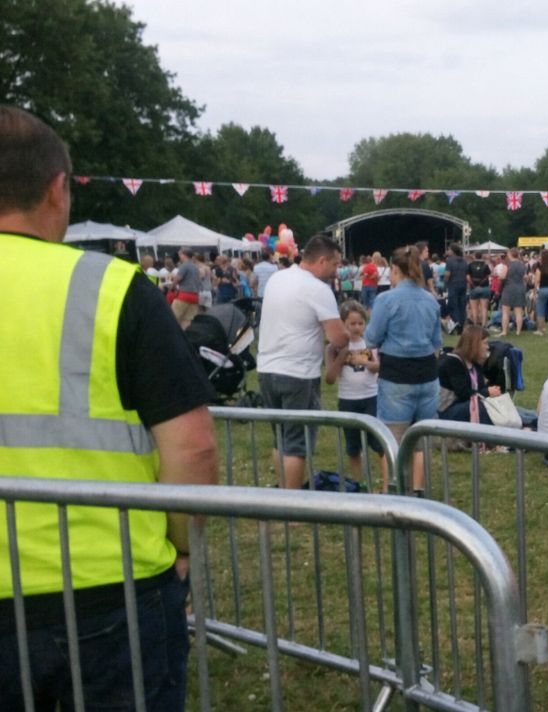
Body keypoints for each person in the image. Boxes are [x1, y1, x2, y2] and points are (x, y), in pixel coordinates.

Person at [0, 105, 218, 711]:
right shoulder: (113, 286)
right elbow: (192, 447)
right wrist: (181, 550)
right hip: (109, 589)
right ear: (57, 189)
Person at [257, 234, 346, 490]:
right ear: (321, 261)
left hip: (267, 368)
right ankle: (293, 503)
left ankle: (282, 488)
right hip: (298, 373)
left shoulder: (277, 277)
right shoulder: (318, 289)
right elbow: (336, 337)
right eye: (335, 264)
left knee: (280, 439)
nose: (335, 271)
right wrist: (347, 337)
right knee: (297, 442)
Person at [364, 245, 442, 495]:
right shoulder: (431, 300)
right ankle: (418, 490)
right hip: (428, 374)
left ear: (395, 269)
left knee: (392, 439)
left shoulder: (386, 300)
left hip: (397, 375)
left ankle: (392, 491)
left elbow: (372, 338)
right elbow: (437, 342)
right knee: (419, 438)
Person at [324, 301, 387, 492]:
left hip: (370, 397)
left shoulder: (370, 342)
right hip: (348, 399)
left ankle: (386, 485)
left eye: (360, 323)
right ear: (343, 324)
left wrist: (367, 362)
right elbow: (329, 378)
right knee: (353, 445)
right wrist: (341, 357)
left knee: (378, 442)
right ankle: (360, 483)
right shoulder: (333, 347)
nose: (357, 328)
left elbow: (379, 367)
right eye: (352, 324)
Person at [437, 324, 500, 425]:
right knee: (481, 407)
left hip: (466, 405)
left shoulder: (474, 363)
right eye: (485, 343)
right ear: (474, 344)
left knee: (496, 406)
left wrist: (489, 392)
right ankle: (491, 438)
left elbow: (479, 388)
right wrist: (487, 392)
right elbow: (464, 394)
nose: (488, 347)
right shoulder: (452, 362)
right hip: (447, 410)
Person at [500, 247, 527, 338]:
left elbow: (503, 277)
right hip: (520, 288)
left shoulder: (507, 265)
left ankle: (504, 331)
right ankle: (518, 331)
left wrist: (499, 276)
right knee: (519, 312)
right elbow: (525, 277)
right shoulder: (522, 265)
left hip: (509, 288)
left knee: (505, 311)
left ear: (510, 255)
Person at [443, 243, 468, 333]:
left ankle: (456, 323)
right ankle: (462, 324)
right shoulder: (464, 261)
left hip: (453, 284)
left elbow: (447, 275)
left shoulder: (450, 261)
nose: (448, 251)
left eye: (449, 250)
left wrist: (445, 283)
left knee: (453, 305)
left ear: (452, 251)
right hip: (463, 285)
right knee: (462, 305)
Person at [467, 251, 492, 327]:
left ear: (474, 256)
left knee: (474, 308)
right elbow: (488, 275)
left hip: (474, 288)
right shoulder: (485, 265)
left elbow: (468, 277)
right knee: (484, 308)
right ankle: (484, 324)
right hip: (484, 287)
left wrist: (473, 285)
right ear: (482, 256)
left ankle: (475, 324)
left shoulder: (470, 265)